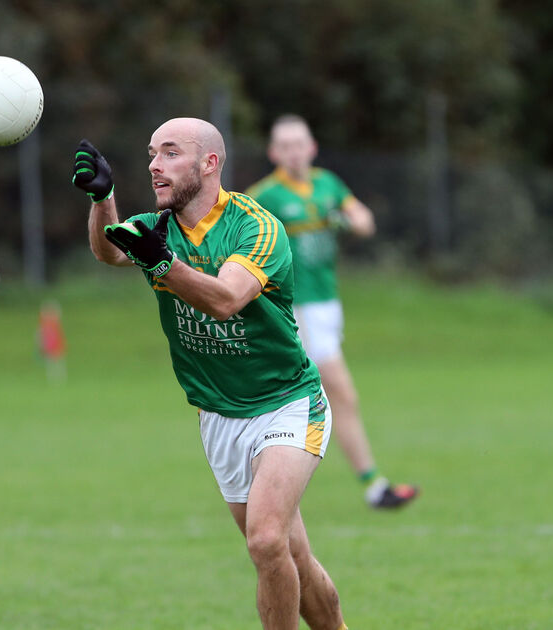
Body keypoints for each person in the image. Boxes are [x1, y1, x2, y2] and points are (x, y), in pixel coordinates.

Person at [73, 118, 348, 630]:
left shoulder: (256, 225)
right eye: (151, 153)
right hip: (219, 416)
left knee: (266, 541)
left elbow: (225, 300)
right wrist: (102, 199)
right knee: (292, 560)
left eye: (170, 153)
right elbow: (109, 250)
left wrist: (161, 266)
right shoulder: (159, 227)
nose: (155, 165)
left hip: (286, 403)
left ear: (209, 164)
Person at [245, 114, 419, 509]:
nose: (293, 152)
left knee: (308, 396)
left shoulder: (328, 184)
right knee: (337, 393)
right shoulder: (265, 195)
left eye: (299, 143)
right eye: (284, 145)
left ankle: (271, 480)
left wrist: (347, 218)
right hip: (294, 307)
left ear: (312, 147)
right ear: (274, 152)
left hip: (328, 303)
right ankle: (372, 485)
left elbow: (365, 221)